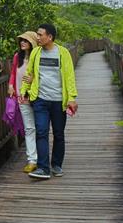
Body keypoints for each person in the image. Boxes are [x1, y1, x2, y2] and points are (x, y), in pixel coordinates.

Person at [20, 22, 78, 180]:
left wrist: (72, 98)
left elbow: (69, 76)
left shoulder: (63, 53)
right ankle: (43, 168)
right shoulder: (36, 53)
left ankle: (57, 164)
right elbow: (29, 73)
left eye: (40, 35)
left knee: (58, 134)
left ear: (50, 37)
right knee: (41, 132)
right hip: (40, 100)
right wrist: (24, 91)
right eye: (37, 35)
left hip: (59, 101)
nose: (37, 37)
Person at [7, 31, 40, 173]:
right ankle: (32, 160)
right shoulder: (17, 57)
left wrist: (34, 81)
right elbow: (14, 73)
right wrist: (10, 85)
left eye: (25, 41)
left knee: (41, 128)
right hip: (21, 98)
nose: (22, 43)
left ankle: (42, 157)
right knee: (29, 128)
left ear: (32, 42)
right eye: (21, 40)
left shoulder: (38, 57)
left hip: (37, 97)